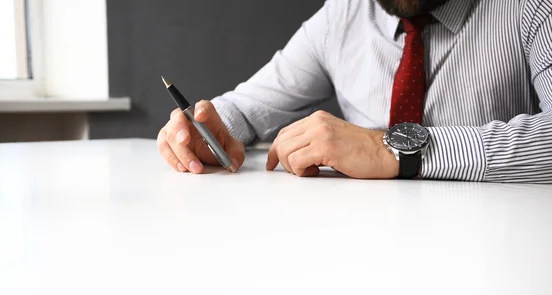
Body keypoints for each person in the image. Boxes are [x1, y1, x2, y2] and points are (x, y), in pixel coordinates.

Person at [157, 0, 552, 183]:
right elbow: (244, 109)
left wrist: (389, 149)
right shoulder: (341, 16)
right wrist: (206, 129)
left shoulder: (530, 8)